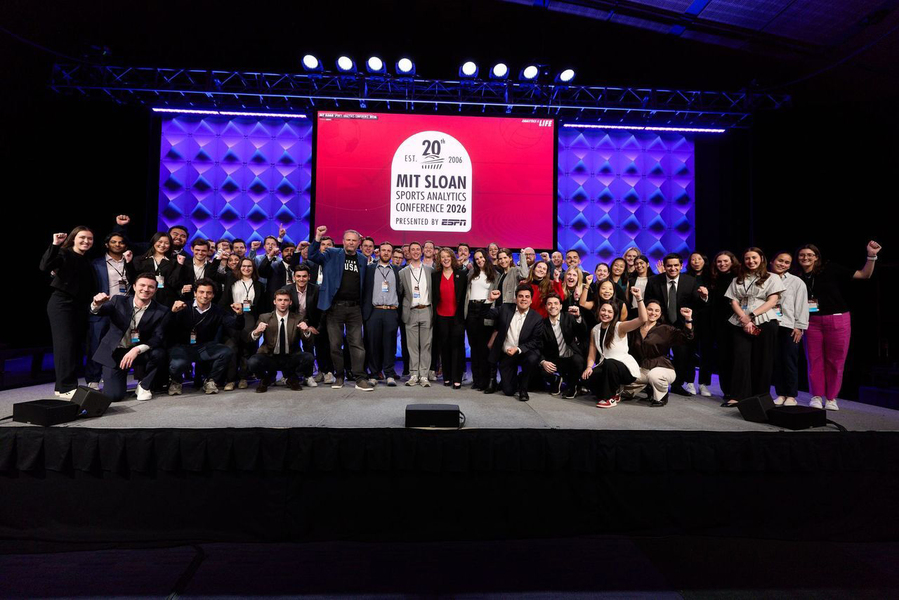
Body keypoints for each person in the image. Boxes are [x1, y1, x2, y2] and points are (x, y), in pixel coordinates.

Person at [797, 241, 882, 410]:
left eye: (809, 255)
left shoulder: (830, 269)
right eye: (802, 255)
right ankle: (815, 396)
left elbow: (864, 275)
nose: (805, 257)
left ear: (816, 257)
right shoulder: (796, 276)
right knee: (814, 360)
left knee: (835, 361)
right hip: (811, 322)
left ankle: (831, 398)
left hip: (837, 319)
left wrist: (872, 255)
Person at [307, 225, 373, 391]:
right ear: (343, 242)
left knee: (357, 344)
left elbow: (364, 286)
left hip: (355, 308)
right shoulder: (331, 254)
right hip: (334, 308)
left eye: (354, 240)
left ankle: (359, 378)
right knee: (335, 345)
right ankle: (339, 376)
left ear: (359, 243)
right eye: (348, 240)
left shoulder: (363, 260)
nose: (351, 243)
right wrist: (317, 237)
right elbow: (312, 255)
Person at [89, 273, 171, 401]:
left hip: (139, 352)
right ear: (134, 286)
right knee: (114, 396)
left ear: (155, 290)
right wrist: (96, 304)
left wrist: (136, 350)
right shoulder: (118, 300)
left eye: (150, 287)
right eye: (142, 285)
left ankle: (144, 386)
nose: (146, 289)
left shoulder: (162, 310)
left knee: (160, 353)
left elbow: (158, 337)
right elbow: (99, 311)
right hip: (116, 352)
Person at [722, 248, 786, 407]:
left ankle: (760, 396)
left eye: (754, 258)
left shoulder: (772, 277)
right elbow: (733, 301)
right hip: (740, 321)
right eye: (747, 258)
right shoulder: (738, 279)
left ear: (762, 258)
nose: (751, 261)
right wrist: (744, 319)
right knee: (740, 358)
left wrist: (751, 316)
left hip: (764, 320)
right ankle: (738, 395)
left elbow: (772, 301)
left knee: (763, 359)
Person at [41, 227, 98, 398]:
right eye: (82, 238)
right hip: (62, 304)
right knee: (65, 345)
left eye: (90, 239)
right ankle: (66, 387)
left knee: (73, 346)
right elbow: (45, 266)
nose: (86, 241)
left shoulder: (87, 261)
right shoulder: (64, 253)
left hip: (79, 306)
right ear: (73, 238)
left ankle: (62, 386)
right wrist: (55, 244)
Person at [645, 253, 707, 396]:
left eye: (675, 265)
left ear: (681, 266)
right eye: (669, 266)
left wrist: (704, 297)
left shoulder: (690, 281)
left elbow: (697, 303)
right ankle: (651, 384)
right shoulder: (654, 280)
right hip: (660, 325)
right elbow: (649, 300)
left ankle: (677, 385)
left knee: (683, 356)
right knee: (656, 355)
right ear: (665, 267)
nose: (672, 268)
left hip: (680, 325)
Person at [168, 279, 242, 395]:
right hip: (183, 347)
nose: (205, 296)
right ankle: (176, 381)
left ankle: (210, 381)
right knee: (177, 364)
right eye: (201, 292)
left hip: (204, 347)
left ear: (213, 295)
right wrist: (172, 313)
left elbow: (236, 326)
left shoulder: (217, 310)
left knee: (226, 351)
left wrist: (239, 315)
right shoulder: (183, 307)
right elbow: (168, 328)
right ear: (195, 293)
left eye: (208, 293)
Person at [581, 288, 647, 408]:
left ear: (615, 314)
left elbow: (642, 319)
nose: (605, 314)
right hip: (607, 367)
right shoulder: (595, 329)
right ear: (599, 311)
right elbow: (592, 352)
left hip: (625, 369)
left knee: (609, 363)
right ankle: (615, 391)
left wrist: (639, 298)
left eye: (609, 312)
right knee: (588, 378)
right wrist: (589, 367)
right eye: (603, 310)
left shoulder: (620, 327)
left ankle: (610, 398)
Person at [86, 232, 136, 390]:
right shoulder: (97, 263)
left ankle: (114, 376)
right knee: (97, 343)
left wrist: (130, 264)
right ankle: (93, 378)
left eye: (121, 242)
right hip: (104, 306)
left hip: (125, 308)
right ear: (107, 245)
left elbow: (136, 282)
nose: (118, 245)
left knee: (122, 344)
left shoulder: (129, 262)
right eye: (113, 242)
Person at [623, 301, 694, 407]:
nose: (653, 313)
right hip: (642, 368)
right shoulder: (634, 328)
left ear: (660, 314)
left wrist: (688, 319)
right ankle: (648, 387)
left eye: (657, 311)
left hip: (662, 368)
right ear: (643, 310)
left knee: (654, 376)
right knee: (622, 384)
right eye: (650, 309)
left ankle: (662, 396)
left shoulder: (665, 329)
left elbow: (686, 337)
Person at [246, 289, 315, 392]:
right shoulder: (265, 317)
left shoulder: (298, 318)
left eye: (286, 300)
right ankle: (266, 379)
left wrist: (306, 331)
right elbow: (250, 339)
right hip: (270, 356)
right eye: (280, 300)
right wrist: (256, 331)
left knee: (309, 357)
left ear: (290, 302)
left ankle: (291, 377)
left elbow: (308, 341)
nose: (282, 303)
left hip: (290, 356)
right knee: (252, 362)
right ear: (275, 302)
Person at [486, 284, 545, 401]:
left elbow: (535, 341)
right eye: (520, 296)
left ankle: (524, 389)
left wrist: (518, 349)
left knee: (532, 359)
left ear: (531, 300)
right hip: (507, 354)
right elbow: (486, 314)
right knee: (508, 391)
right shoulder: (505, 308)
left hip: (525, 352)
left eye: (527, 297)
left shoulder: (537, 318)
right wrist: (490, 300)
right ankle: (514, 379)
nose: (524, 299)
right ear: (515, 298)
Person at [217, 258, 267, 390]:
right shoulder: (232, 280)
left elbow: (262, 305)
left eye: (249, 266)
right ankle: (230, 379)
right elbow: (224, 300)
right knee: (232, 347)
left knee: (247, 348)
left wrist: (250, 305)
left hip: (250, 316)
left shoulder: (259, 284)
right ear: (239, 267)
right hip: (232, 316)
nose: (246, 268)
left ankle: (244, 377)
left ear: (253, 268)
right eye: (243, 266)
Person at [768, 252, 809, 407]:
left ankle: (791, 395)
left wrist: (799, 326)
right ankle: (780, 393)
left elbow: (801, 305)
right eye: (780, 261)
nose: (782, 264)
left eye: (787, 262)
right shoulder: (764, 279)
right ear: (772, 261)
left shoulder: (796, 282)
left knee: (789, 361)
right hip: (769, 325)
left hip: (788, 326)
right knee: (776, 361)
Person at [362, 242, 403, 386]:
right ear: (378, 252)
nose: (386, 253)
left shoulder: (397, 270)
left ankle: (389, 374)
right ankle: (373, 374)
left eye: (389, 251)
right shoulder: (370, 269)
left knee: (390, 344)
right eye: (383, 250)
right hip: (374, 311)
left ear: (392, 254)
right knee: (373, 344)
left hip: (391, 311)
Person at [464, 249, 500, 390]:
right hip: (472, 310)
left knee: (484, 348)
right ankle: (476, 380)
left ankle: (486, 381)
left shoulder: (494, 274)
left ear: (486, 258)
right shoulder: (471, 274)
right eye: (477, 258)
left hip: (485, 310)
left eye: (482, 257)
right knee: (474, 347)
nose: (480, 260)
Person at [431, 247, 467, 388]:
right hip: (441, 317)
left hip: (457, 317)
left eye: (448, 256)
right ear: (439, 260)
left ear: (452, 258)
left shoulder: (461, 274)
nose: (445, 259)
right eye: (442, 257)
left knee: (456, 348)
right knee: (444, 348)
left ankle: (456, 377)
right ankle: (447, 377)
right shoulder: (435, 275)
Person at [399, 241, 434, 387]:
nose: (415, 252)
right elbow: (400, 293)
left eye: (417, 249)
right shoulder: (402, 272)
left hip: (426, 309)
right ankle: (414, 374)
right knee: (412, 346)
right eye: (412, 249)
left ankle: (424, 375)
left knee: (426, 345)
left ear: (421, 252)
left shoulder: (430, 270)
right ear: (409, 252)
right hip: (411, 311)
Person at [540, 294, 587, 398]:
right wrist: (543, 361)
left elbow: (582, 332)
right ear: (546, 307)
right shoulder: (542, 324)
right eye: (549, 304)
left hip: (571, 358)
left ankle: (573, 387)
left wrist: (578, 317)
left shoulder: (569, 317)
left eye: (556, 303)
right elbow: (539, 346)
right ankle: (556, 381)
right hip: (555, 360)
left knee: (578, 360)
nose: (553, 306)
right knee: (540, 368)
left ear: (561, 306)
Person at [710, 251, 739, 400]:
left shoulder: (738, 278)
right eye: (719, 261)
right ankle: (726, 390)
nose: (722, 264)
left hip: (736, 323)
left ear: (732, 262)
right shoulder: (713, 279)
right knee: (723, 358)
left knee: (736, 357)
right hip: (719, 325)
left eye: (725, 261)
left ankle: (737, 390)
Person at [684, 252, 713, 396]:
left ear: (704, 260)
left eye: (699, 259)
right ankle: (689, 381)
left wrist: (706, 297)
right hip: (690, 317)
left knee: (706, 351)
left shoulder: (712, 276)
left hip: (708, 318)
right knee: (689, 350)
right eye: (693, 259)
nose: (696, 261)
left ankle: (703, 384)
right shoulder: (685, 277)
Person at [132, 232, 182, 307]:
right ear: (154, 241)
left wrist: (179, 265)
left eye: (166, 243)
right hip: (142, 297)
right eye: (160, 241)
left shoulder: (174, 262)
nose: (162, 245)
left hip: (165, 301)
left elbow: (173, 283)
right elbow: (132, 278)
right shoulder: (140, 260)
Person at [626, 254, 652, 321]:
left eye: (641, 263)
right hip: (633, 312)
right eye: (636, 264)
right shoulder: (631, 280)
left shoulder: (654, 279)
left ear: (647, 264)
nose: (639, 266)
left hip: (649, 311)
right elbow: (628, 298)